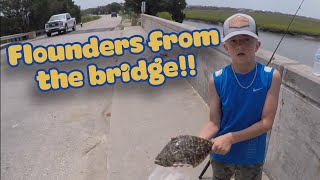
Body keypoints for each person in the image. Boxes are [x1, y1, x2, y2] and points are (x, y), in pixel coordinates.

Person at [196, 13, 281, 180]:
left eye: (246, 40)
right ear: (226, 47)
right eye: (233, 41)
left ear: (257, 45)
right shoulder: (217, 79)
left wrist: (230, 138)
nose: (240, 46)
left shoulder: (271, 76)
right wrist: (194, 145)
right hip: (220, 152)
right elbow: (214, 123)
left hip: (251, 156)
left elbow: (266, 123)